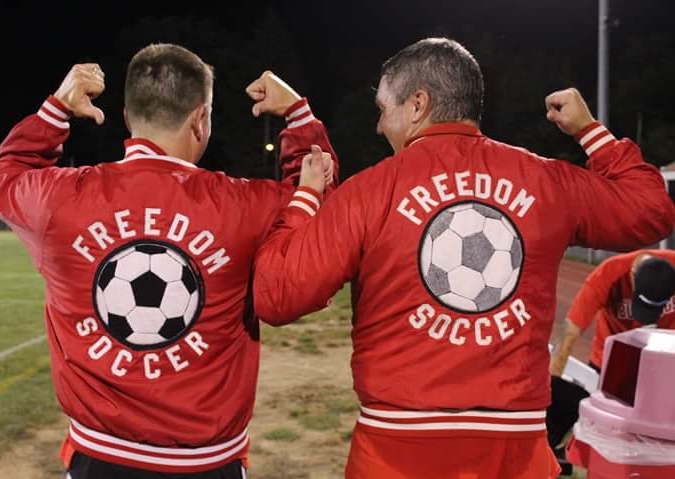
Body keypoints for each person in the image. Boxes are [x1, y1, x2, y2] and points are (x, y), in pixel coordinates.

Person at [252, 37, 675, 479]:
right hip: (516, 451)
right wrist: (589, 131)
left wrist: (305, 197)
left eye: (383, 109)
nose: (379, 126)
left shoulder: (370, 191)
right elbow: (651, 211)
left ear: (418, 104)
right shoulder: (544, 180)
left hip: (397, 451)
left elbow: (278, 295)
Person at [0, 44, 337, 478]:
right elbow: (317, 204)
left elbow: (0, 179)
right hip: (206, 464)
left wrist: (56, 109)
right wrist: (298, 115)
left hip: (98, 460)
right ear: (201, 119)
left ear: (127, 118)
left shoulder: (60, 198)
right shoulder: (246, 205)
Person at [546, 251, 675, 459]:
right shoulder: (608, 274)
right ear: (633, 276)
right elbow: (569, 336)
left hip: (661, 361)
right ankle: (550, 448)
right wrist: (550, 391)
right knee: (564, 397)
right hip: (612, 364)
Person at [550, 250, 675, 375]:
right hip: (611, 359)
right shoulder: (607, 275)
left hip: (663, 356)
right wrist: (553, 382)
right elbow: (569, 332)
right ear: (632, 275)